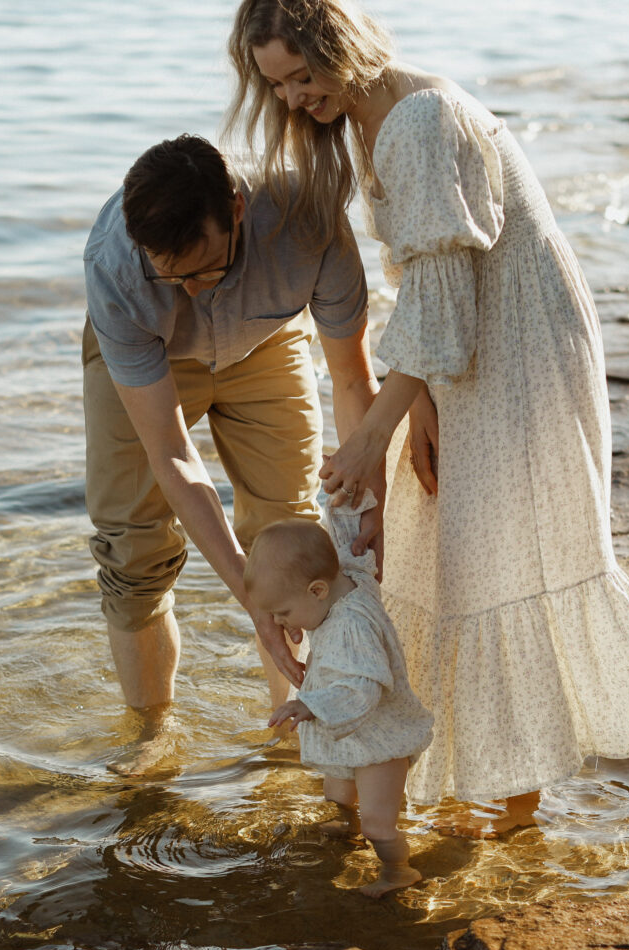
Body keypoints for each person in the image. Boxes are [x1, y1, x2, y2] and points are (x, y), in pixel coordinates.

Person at [228, 0, 629, 835]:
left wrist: (373, 434)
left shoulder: (416, 119)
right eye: (278, 85)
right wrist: (426, 404)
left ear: (345, 47)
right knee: (445, 552)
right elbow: (433, 291)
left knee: (499, 557)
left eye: (305, 75)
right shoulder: (374, 120)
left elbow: (445, 296)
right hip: (461, 350)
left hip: (517, 348)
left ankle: (517, 807)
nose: (297, 98)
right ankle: (482, 785)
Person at [82, 133, 381, 773]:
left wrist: (373, 498)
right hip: (151, 357)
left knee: (293, 539)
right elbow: (173, 458)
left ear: (238, 210)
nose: (188, 289)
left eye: (203, 269)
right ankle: (151, 743)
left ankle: (298, 736)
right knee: (134, 547)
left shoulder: (308, 217)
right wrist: (251, 598)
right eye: (170, 272)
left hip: (267, 341)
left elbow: (354, 381)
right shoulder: (116, 270)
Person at [251, 496, 432, 897]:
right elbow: (352, 543)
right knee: (335, 798)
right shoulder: (348, 577)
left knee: (378, 824)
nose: (279, 624)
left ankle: (398, 872)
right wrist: (344, 496)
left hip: (380, 739)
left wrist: (310, 704)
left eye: (282, 613)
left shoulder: (352, 626)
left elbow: (362, 689)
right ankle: (342, 835)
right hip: (351, 735)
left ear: (317, 590)